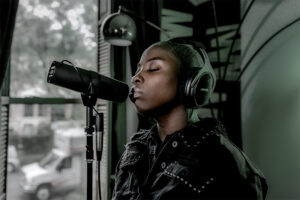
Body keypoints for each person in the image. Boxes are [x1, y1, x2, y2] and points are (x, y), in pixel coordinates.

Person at [112, 40, 268, 200]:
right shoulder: (135, 151)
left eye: (153, 69)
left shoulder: (224, 162)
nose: (135, 78)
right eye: (138, 69)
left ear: (190, 83)